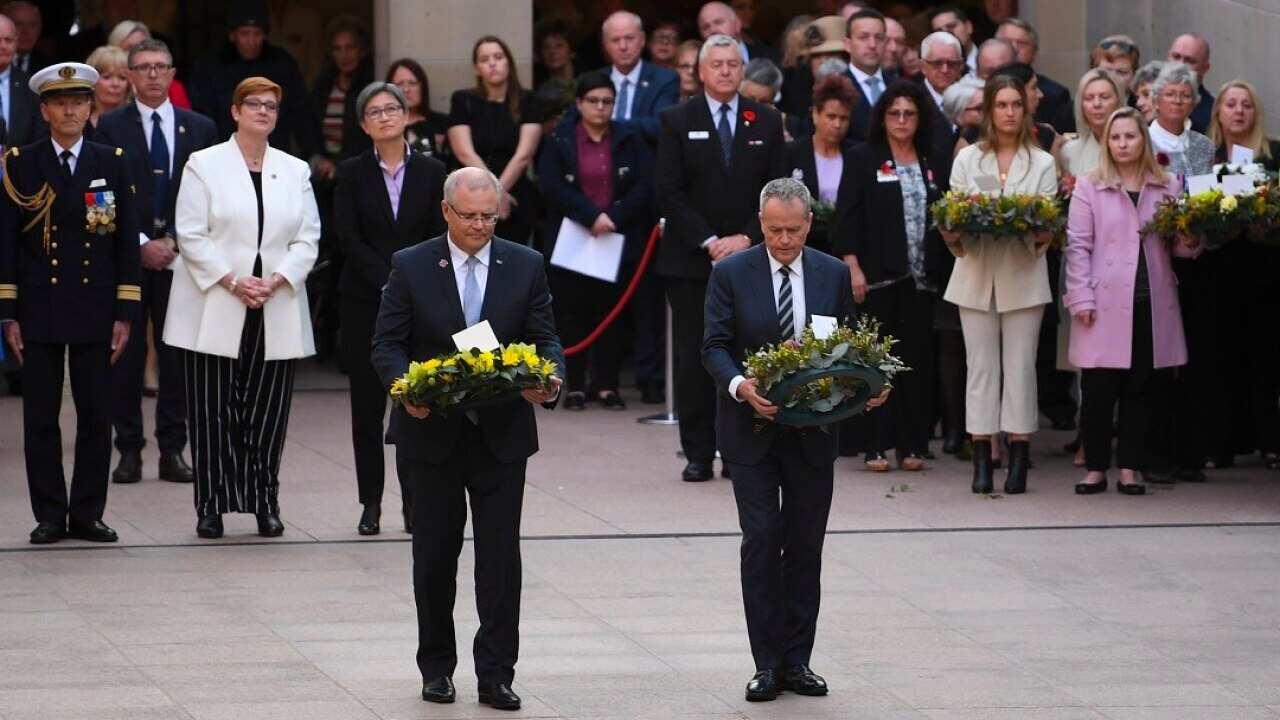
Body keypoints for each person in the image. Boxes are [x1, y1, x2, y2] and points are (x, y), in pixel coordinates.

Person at [370, 167, 564, 713]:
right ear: (446, 211)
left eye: (489, 217)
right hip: (431, 432)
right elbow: (387, 344)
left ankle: (496, 674)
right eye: (470, 216)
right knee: (434, 557)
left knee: (500, 561)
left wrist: (549, 381)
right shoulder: (411, 264)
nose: (480, 226)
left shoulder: (525, 264)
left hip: (501, 435)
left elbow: (545, 338)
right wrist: (404, 389)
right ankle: (436, 668)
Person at [703, 177, 886, 702]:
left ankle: (797, 661)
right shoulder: (731, 273)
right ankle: (766, 664)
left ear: (809, 224)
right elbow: (714, 346)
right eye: (774, 230)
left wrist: (869, 383)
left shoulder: (832, 273)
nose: (784, 240)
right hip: (751, 430)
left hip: (813, 430)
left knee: (805, 545)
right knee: (762, 540)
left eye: (794, 230)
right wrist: (741, 386)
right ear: (760, 224)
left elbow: (849, 344)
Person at [163, 76, 320, 539]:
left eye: (271, 105)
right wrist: (232, 280)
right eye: (253, 104)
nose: (263, 111)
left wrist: (278, 278)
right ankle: (211, 505)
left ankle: (264, 502)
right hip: (216, 300)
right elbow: (191, 234)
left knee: (268, 413)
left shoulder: (294, 169)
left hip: (275, 300)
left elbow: (307, 237)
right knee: (212, 410)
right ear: (235, 111)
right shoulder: (204, 164)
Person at [0, 62, 140, 544]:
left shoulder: (111, 161)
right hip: (39, 306)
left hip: (95, 305)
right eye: (60, 103)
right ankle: (48, 514)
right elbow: (7, 243)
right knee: (40, 418)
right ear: (44, 110)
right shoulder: (21, 162)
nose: (70, 111)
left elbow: (124, 242)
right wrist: (8, 312)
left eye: (78, 102)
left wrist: (125, 312)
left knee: (96, 417)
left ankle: (87, 513)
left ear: (90, 108)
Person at [656, 33, 785, 482]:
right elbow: (668, 190)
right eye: (718, 64)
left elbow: (775, 188)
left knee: (745, 355)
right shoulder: (676, 119)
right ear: (701, 71)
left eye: (734, 64)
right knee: (695, 358)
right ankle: (697, 453)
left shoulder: (766, 119)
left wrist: (746, 237)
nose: (726, 71)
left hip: (750, 256)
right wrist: (711, 241)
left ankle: (738, 451)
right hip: (692, 260)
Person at [98, 38, 216, 487]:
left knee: (176, 358)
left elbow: (213, 196)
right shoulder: (110, 126)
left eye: (160, 66)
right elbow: (99, 192)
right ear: (130, 75)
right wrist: (141, 242)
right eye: (143, 67)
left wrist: (177, 242)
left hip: (182, 258)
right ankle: (128, 449)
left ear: (171, 74)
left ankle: (172, 449)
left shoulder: (199, 127)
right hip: (127, 258)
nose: (152, 74)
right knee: (125, 357)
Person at [1064, 107, 1199, 496]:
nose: (1122, 144)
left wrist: (1192, 239)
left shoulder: (1168, 184)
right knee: (1098, 389)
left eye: (1130, 136)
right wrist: (1081, 297)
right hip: (1102, 300)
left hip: (1151, 300)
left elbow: (1179, 248)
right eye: (1116, 137)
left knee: (1141, 389)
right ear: (1107, 142)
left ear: (1144, 140)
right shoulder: (1090, 185)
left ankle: (1129, 467)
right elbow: (1078, 246)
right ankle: (1095, 468)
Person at [335, 81, 445, 536]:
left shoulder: (433, 170)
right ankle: (371, 503)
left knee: (415, 403)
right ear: (364, 124)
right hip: (365, 300)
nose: (385, 117)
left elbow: (438, 233)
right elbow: (347, 237)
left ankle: (415, 502)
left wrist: (408, 284)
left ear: (407, 115)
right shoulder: (350, 172)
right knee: (366, 409)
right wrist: (388, 279)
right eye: (374, 112)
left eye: (392, 108)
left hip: (419, 305)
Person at [940, 74, 1058, 495]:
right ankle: (982, 456)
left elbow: (1046, 223)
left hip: (1023, 275)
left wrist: (1037, 229)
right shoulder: (968, 159)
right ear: (989, 110)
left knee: (1021, 367)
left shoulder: (1042, 162)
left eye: (1016, 104)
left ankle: (1019, 455)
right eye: (1002, 104)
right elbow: (954, 217)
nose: (1009, 112)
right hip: (975, 274)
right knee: (981, 369)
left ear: (1026, 111)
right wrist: (952, 230)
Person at [836, 80, 943, 471]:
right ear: (882, 117)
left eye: (909, 114)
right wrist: (852, 266)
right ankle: (875, 444)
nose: (901, 120)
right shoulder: (863, 157)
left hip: (921, 280)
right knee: (875, 362)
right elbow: (846, 216)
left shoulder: (931, 159)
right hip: (877, 278)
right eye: (894, 113)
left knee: (915, 362)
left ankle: (912, 444)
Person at [539, 72, 654, 411]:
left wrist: (614, 216)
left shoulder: (629, 138)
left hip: (615, 237)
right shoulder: (560, 139)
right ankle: (574, 384)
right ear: (579, 103)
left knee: (611, 314)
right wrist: (590, 215)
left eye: (607, 101)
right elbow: (551, 185)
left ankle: (607, 384)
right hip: (572, 238)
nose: (601, 107)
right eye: (593, 101)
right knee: (572, 313)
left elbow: (644, 185)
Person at [1145, 61, 1217, 483]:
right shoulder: (1142, 140)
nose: (1177, 101)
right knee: (1158, 359)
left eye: (1184, 95)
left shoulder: (1203, 145)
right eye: (1169, 94)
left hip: (1195, 260)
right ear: (1155, 100)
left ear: (1193, 102)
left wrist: (1198, 230)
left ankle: (1190, 451)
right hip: (1154, 259)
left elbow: (1208, 199)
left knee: (1194, 357)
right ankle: (1155, 452)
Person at [1208, 80, 1280, 469]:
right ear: (1218, 112)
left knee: (1265, 356)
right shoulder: (1206, 155)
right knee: (1221, 355)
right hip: (1217, 268)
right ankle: (1223, 441)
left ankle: (1270, 440)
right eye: (1231, 104)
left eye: (1246, 105)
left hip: (1264, 267)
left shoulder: (1273, 155)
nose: (1239, 111)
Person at [187, 0, 318, 157]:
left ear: (265, 35)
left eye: (257, 34)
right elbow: (202, 118)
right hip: (224, 155)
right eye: (244, 34)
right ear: (232, 35)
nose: (251, 41)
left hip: (273, 155)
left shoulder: (282, 64)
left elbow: (301, 112)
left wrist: (312, 153)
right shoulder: (210, 66)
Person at [447, 35, 543, 246]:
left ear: (509, 62)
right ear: (476, 69)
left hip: (515, 193)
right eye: (484, 59)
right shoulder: (463, 100)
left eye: (498, 57)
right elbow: (464, 152)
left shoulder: (528, 100)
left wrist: (500, 192)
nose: (492, 63)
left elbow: (524, 155)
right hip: (472, 194)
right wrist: (494, 193)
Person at [783, 74, 855, 256]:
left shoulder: (855, 154)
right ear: (815, 114)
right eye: (831, 116)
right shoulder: (792, 153)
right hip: (802, 247)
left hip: (845, 249)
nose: (837, 124)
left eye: (844, 118)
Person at [599, 11, 680, 146]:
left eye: (629, 38)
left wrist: (609, 125)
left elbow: (662, 125)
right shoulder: (594, 80)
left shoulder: (664, 79)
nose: (623, 46)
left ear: (642, 39)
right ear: (605, 45)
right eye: (615, 40)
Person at [309, 15, 373, 179]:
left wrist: (339, 165)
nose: (344, 55)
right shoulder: (323, 86)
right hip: (323, 173)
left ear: (362, 50)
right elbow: (310, 127)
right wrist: (318, 159)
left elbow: (367, 139)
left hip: (357, 172)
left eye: (350, 47)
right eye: (337, 49)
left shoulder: (370, 87)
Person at [995, 18, 1074, 133]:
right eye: (1006, 41)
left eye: (1021, 43)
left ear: (1034, 52)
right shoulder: (977, 88)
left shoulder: (1055, 95)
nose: (1014, 48)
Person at [105, 19, 191, 110]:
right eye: (129, 49)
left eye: (142, 48)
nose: (136, 55)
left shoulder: (173, 88)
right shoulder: (104, 86)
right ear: (113, 52)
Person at [842, 8, 896, 144]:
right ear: (847, 44)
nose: (872, 45)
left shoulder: (898, 87)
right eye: (863, 37)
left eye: (879, 38)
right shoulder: (836, 88)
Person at [387, 58, 448, 159]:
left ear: (422, 87)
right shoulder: (382, 125)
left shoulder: (442, 123)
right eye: (399, 84)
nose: (406, 89)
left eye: (412, 83)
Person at [0, 11, 43, 148]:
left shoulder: (32, 86)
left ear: (16, 43)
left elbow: (39, 140)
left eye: (8, 40)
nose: (3, 46)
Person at [698, 2, 779, 64]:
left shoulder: (770, 57)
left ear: (737, 24)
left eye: (718, 22)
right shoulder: (697, 65)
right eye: (706, 27)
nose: (713, 30)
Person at [1167, 33, 1213, 133]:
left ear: (1205, 68)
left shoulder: (1213, 114)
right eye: (1176, 57)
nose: (1180, 65)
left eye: (1189, 61)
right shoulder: (1146, 101)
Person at [85, 45, 130, 137]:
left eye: (122, 78)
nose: (115, 84)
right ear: (92, 81)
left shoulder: (139, 122)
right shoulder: (80, 122)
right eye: (107, 77)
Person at [927, 5, 977, 76]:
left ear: (968, 27)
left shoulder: (992, 57)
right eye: (939, 32)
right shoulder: (936, 75)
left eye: (951, 26)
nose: (946, 34)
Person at [0, 1, 48, 74]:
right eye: (18, 24)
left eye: (32, 25)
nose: (26, 31)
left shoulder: (50, 67)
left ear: (40, 29)